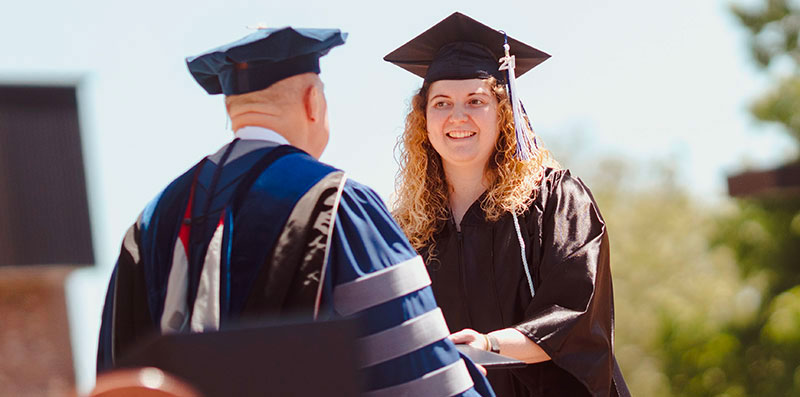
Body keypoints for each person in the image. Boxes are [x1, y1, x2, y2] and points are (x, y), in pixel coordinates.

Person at [96, 25, 495, 397]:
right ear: (312, 102)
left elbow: (117, 378)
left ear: (233, 109)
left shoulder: (151, 222)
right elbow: (423, 380)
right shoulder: (338, 203)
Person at [386, 12, 630, 397]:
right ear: (424, 119)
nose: (458, 116)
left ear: (503, 111)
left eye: (475, 100)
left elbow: (576, 316)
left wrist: (489, 345)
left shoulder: (555, 201)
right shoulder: (410, 229)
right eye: (442, 103)